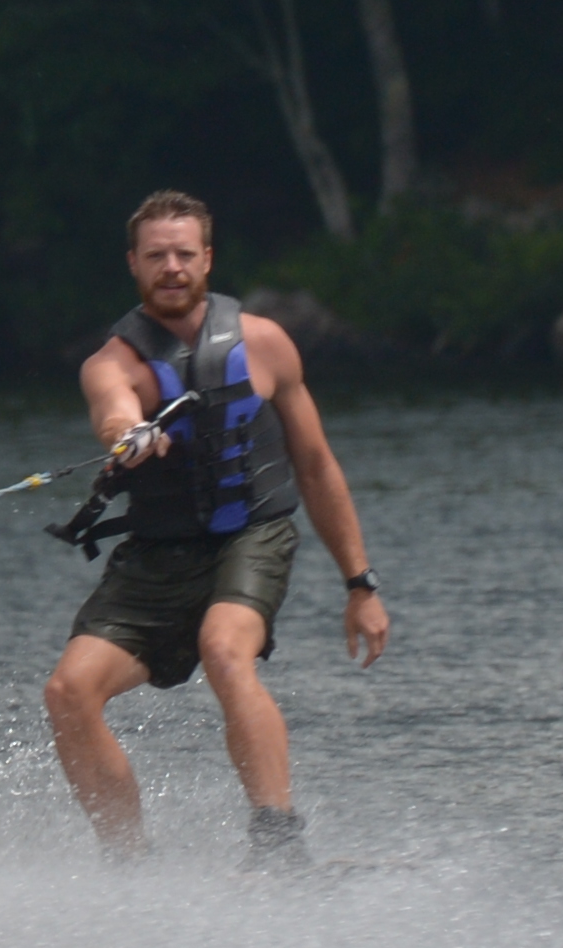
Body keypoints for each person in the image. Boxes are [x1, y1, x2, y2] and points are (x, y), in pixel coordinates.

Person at [42, 190, 392, 862]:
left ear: (207, 258)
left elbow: (316, 466)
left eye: (183, 254)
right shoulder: (111, 364)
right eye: (156, 257)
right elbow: (113, 412)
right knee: (68, 692)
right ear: (133, 264)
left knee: (224, 650)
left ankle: (278, 844)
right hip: (157, 555)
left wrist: (360, 583)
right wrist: (130, 435)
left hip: (251, 538)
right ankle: (129, 863)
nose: (171, 268)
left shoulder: (265, 344)